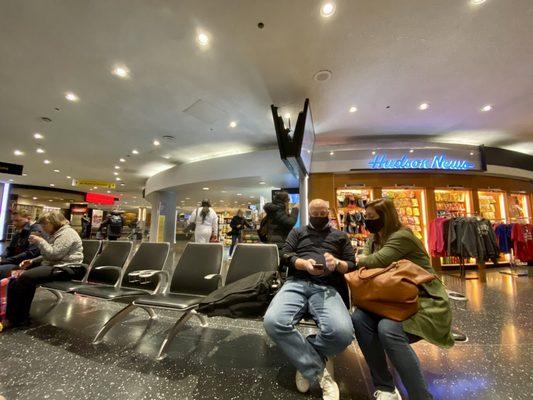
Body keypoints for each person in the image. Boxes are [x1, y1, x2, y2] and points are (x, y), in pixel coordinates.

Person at [353, 198, 454, 400]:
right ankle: (385, 387)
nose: (367, 221)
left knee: (388, 329)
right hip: (389, 296)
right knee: (359, 320)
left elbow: (374, 261)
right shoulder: (375, 238)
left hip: (421, 297)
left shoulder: (402, 237)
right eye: (366, 217)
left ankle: (421, 396)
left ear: (386, 217)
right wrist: (362, 260)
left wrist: (359, 260)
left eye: (371, 217)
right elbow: (366, 260)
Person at [263, 199, 356, 400]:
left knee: (342, 334)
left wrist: (338, 263)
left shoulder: (340, 236)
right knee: (273, 321)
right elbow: (285, 255)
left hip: (327, 287)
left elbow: (352, 264)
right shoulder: (298, 232)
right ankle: (318, 370)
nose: (320, 217)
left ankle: (304, 357)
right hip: (296, 283)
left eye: (324, 213)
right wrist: (302, 263)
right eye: (316, 213)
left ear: (329, 213)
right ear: (309, 213)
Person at [0, 211, 84, 331]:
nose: (43, 228)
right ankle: (13, 317)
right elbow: (48, 254)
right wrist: (33, 261)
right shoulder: (56, 234)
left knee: (26, 277)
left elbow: (54, 254)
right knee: (16, 278)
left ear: (54, 222)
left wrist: (40, 241)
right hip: (56, 265)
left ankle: (18, 318)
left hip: (69, 268)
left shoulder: (67, 233)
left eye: (45, 224)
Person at [0, 210, 46, 279]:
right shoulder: (20, 230)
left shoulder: (36, 230)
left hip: (26, 264)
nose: (14, 223)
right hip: (15, 261)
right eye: (13, 221)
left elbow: (30, 254)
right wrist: (2, 257)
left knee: (1, 270)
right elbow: (10, 248)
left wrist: (5, 260)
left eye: (17, 221)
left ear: (28, 218)